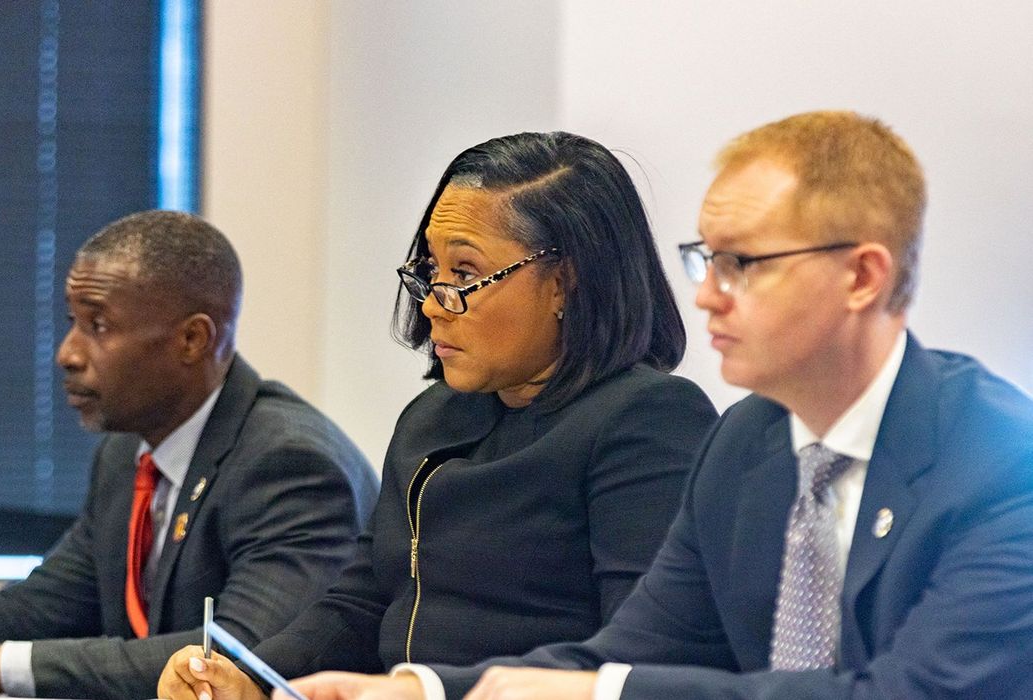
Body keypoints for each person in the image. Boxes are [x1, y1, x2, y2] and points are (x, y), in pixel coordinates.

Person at [287, 111, 1033, 700]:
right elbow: (635, 651)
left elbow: (914, 692)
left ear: (862, 277)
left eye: (741, 263)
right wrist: (422, 689)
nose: (706, 294)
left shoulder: (1000, 463)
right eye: (703, 259)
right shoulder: (747, 442)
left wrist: (598, 689)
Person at [157, 131, 720, 700]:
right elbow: (363, 602)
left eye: (466, 274)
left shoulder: (648, 419)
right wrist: (249, 674)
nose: (432, 302)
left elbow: (639, 654)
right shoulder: (432, 416)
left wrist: (429, 690)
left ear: (563, 284)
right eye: (432, 269)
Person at [0, 210, 379, 700]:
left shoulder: (292, 465)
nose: (68, 354)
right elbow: (44, 602)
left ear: (192, 339)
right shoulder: (128, 452)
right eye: (74, 323)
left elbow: (229, 656)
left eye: (98, 326)